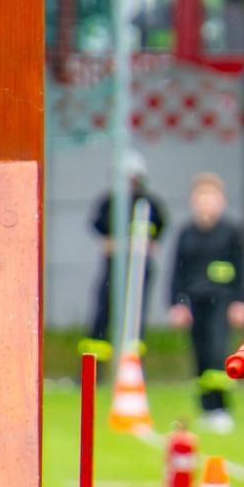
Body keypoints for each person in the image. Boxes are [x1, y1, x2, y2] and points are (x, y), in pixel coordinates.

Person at [167, 173, 244, 433]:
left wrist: (240, 302)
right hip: (195, 303)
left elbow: (243, 269)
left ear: (221, 201)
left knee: (217, 352)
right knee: (200, 355)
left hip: (222, 301)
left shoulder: (231, 233)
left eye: (211, 198)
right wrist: (177, 303)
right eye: (201, 198)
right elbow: (177, 271)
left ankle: (221, 408)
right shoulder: (187, 234)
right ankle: (206, 408)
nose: (206, 204)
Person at [79, 151, 167, 361]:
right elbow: (100, 233)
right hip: (113, 267)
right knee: (103, 314)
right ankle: (94, 367)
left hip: (140, 268)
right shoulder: (108, 203)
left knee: (136, 316)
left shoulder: (148, 204)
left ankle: (132, 366)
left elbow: (155, 237)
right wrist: (125, 245)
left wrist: (130, 246)